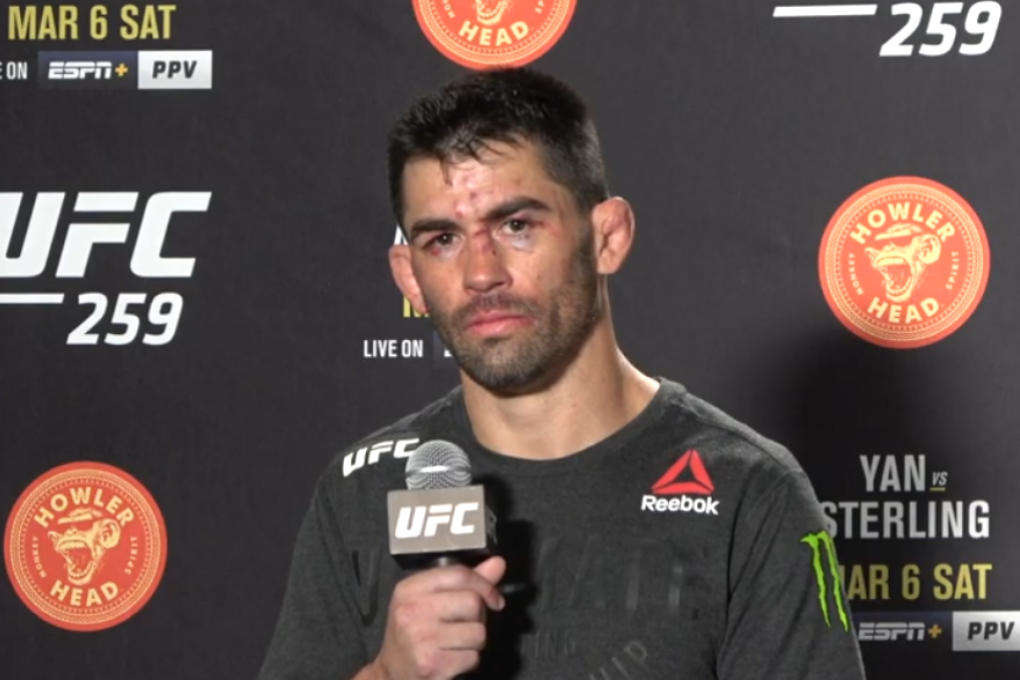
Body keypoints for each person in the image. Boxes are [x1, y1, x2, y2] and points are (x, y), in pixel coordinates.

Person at [257, 67, 867, 680]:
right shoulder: (360, 493)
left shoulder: (750, 495)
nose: (480, 273)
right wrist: (388, 676)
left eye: (515, 226)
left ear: (608, 236)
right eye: (442, 239)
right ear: (409, 277)